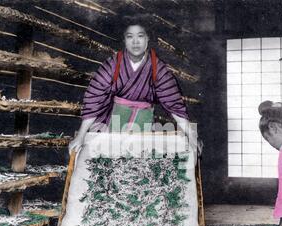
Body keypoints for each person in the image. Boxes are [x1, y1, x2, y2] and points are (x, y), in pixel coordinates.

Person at [69, 16, 199, 154]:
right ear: (124, 40)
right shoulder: (113, 65)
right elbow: (93, 99)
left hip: (144, 120)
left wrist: (191, 136)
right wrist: (81, 135)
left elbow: (173, 103)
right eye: (130, 36)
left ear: (147, 39)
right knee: (112, 157)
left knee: (141, 159)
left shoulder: (158, 68)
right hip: (116, 119)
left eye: (140, 36)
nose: (135, 42)